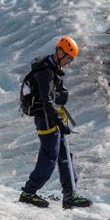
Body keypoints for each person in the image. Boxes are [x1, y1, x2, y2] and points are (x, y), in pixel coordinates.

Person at [18, 36, 92, 209]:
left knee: (64, 155)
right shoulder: (45, 72)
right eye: (67, 58)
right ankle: (29, 192)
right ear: (59, 52)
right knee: (50, 156)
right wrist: (60, 123)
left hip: (51, 117)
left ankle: (70, 193)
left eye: (71, 59)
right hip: (46, 119)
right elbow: (47, 101)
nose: (68, 62)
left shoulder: (52, 69)